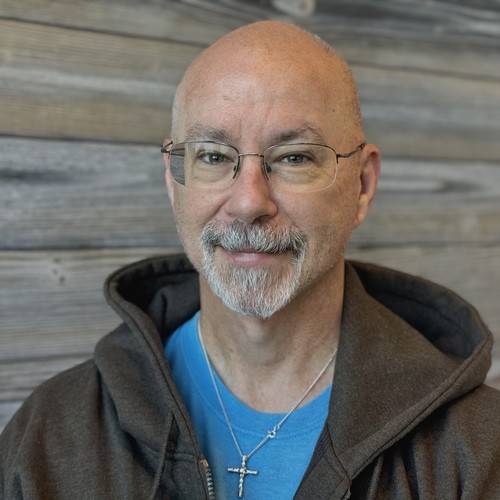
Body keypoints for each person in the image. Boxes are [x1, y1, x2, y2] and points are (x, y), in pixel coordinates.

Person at [1, 20, 499, 500]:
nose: (248, 202)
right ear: (174, 181)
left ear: (362, 186)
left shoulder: (478, 448)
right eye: (213, 156)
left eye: (295, 157)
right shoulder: (48, 438)